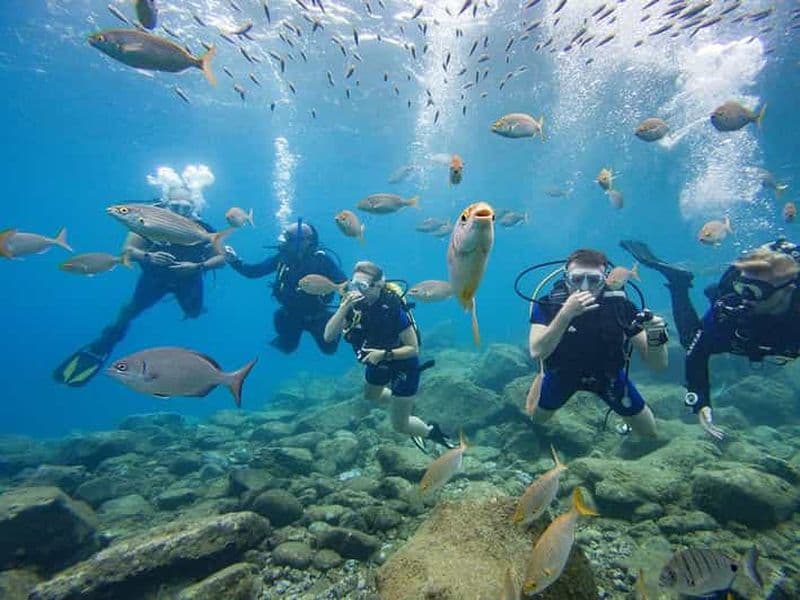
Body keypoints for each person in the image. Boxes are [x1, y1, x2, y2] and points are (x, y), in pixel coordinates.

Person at [621, 238, 800, 440]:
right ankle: (679, 283)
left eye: (756, 291)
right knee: (690, 340)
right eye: (742, 287)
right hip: (743, 336)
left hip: (775, 338)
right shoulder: (733, 307)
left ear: (787, 289)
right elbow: (697, 352)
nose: (745, 298)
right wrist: (701, 402)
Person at [54, 186, 225, 386]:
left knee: (194, 312)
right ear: (165, 205)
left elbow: (221, 258)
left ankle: (193, 309)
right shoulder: (149, 221)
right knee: (129, 310)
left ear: (194, 208)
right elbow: (127, 249)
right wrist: (148, 256)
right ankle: (102, 344)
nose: (180, 211)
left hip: (188, 279)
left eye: (186, 207)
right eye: (175, 206)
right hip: (155, 279)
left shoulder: (204, 229)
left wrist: (198, 266)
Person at [528, 249, 669, 437]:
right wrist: (565, 314)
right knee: (536, 419)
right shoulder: (548, 305)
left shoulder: (620, 307)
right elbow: (536, 352)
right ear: (566, 278)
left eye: (593, 280)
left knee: (649, 432)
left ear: (605, 279)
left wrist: (657, 335)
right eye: (577, 279)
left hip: (608, 376)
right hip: (562, 373)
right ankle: (542, 374)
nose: (584, 287)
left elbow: (657, 365)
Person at [323, 261, 454, 451]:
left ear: (378, 286)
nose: (357, 290)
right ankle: (403, 405)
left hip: (403, 365)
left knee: (399, 426)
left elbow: (413, 349)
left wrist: (384, 354)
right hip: (377, 361)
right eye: (354, 284)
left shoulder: (392, 308)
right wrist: (343, 308)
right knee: (370, 395)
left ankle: (431, 432)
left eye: (363, 286)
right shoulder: (353, 306)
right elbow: (328, 336)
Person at [224, 220, 346, 354]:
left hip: (318, 314)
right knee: (287, 347)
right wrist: (235, 261)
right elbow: (254, 271)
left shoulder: (322, 260)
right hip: (290, 314)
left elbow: (343, 284)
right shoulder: (283, 258)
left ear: (305, 242)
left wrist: (345, 312)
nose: (283, 243)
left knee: (329, 349)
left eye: (288, 239)